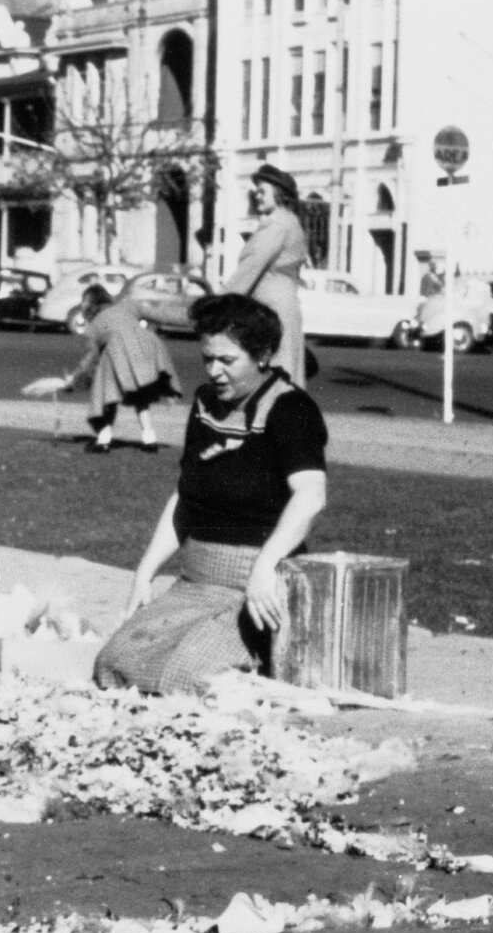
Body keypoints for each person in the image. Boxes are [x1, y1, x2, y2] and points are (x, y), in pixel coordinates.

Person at [93, 294, 328, 696]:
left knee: (183, 679)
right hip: (196, 579)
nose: (215, 371)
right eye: (208, 359)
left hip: (255, 584)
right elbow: (185, 496)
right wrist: (145, 572)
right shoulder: (205, 403)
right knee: (114, 665)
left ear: (263, 355)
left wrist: (266, 567)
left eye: (227, 361)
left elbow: (311, 495)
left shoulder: (291, 408)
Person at [222, 163, 309, 387]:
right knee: (284, 376)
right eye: (256, 192)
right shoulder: (291, 221)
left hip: (271, 311)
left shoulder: (276, 225)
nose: (257, 197)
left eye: (263, 192)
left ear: (279, 194)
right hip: (283, 306)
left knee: (274, 379)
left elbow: (251, 268)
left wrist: (221, 304)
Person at [66, 284, 180, 454]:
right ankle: (150, 438)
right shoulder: (128, 305)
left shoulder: (94, 326)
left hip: (118, 351)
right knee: (140, 395)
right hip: (150, 347)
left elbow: (89, 361)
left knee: (107, 393)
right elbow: (160, 314)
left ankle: (104, 438)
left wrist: (73, 381)